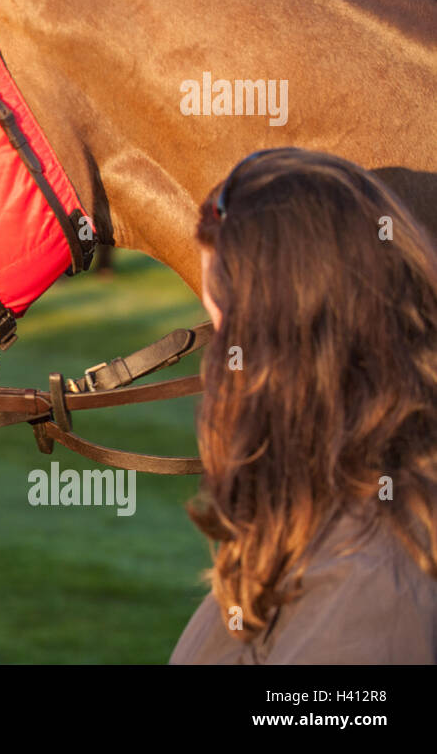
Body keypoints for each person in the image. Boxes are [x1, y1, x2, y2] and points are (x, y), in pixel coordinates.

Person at [171, 148, 437, 663]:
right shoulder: (318, 518)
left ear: (283, 351)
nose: (219, 364)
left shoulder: (370, 583)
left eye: (224, 328)